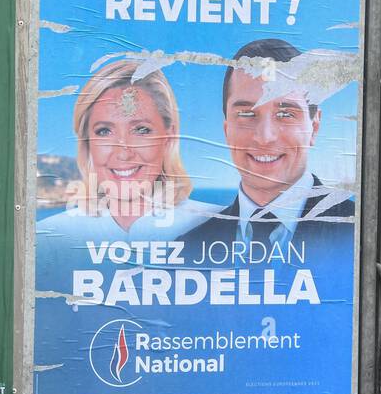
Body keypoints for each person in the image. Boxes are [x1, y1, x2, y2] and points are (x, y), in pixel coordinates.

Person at [184, 38, 354, 262]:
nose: (265, 137)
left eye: (285, 114)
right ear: (227, 130)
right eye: (246, 114)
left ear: (314, 125)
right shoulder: (188, 247)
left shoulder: (355, 233)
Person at [37, 59, 214, 258]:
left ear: (169, 138)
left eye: (141, 130)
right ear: (87, 143)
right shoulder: (46, 242)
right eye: (104, 131)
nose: (123, 152)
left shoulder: (220, 228)